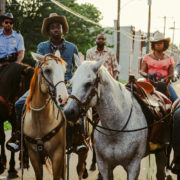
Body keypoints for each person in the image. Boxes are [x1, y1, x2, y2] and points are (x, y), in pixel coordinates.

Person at [6, 13, 88, 153]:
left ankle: (79, 138)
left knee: (78, 107)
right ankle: (18, 137)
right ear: (49, 31)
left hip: (65, 85)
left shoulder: (71, 47)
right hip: (45, 85)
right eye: (53, 27)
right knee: (19, 104)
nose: (56, 29)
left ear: (62, 30)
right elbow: (39, 68)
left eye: (59, 27)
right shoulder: (42, 47)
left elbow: (78, 68)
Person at [139, 31, 178, 102]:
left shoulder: (169, 59)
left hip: (164, 85)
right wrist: (148, 75)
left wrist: (165, 79)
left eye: (160, 43)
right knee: (137, 98)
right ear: (153, 44)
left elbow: (171, 74)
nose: (158, 44)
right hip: (149, 83)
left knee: (176, 101)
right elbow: (142, 71)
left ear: (164, 44)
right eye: (156, 43)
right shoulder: (147, 57)